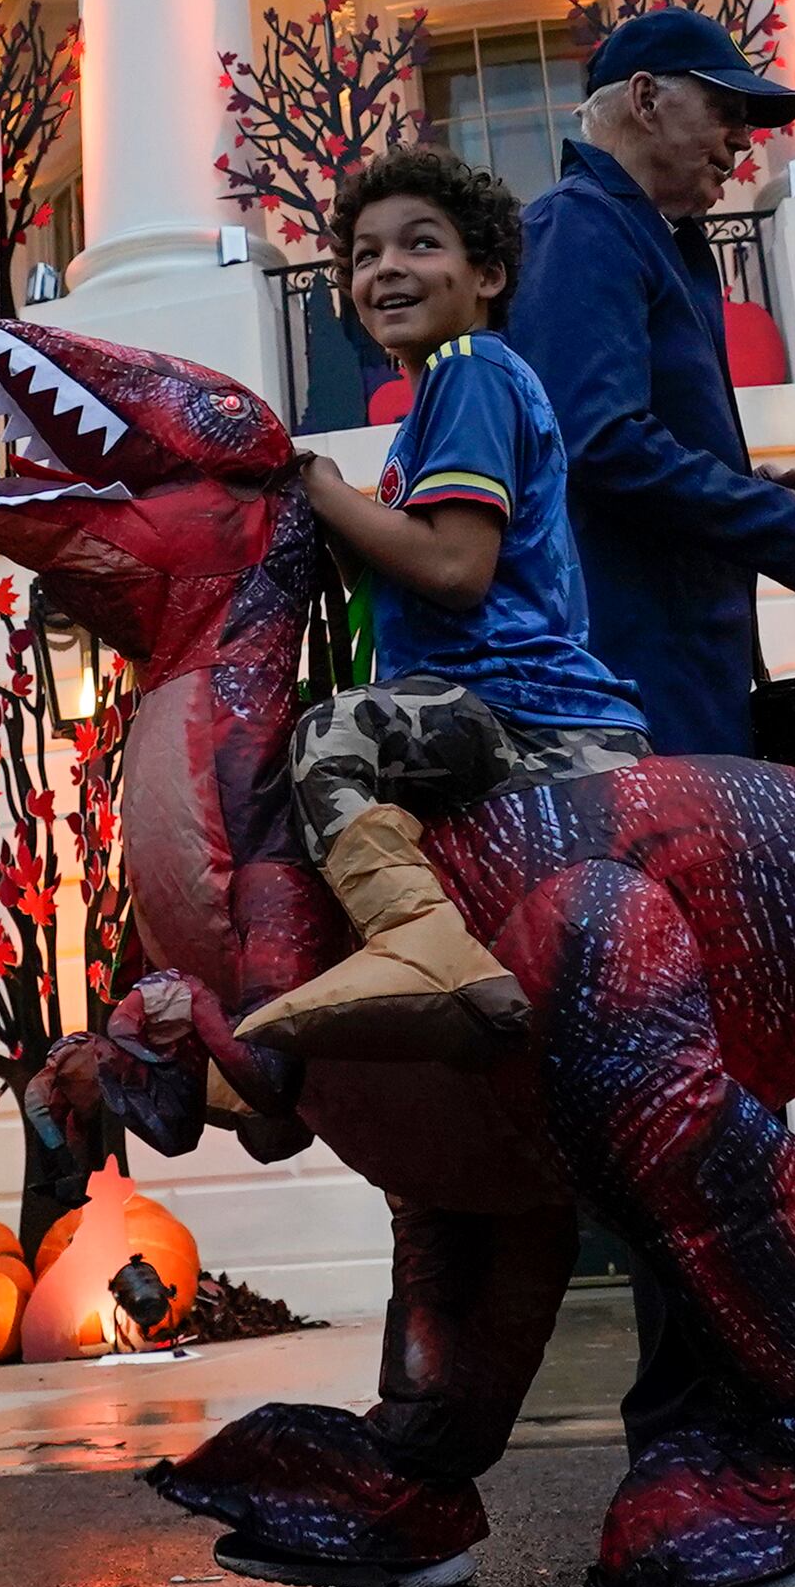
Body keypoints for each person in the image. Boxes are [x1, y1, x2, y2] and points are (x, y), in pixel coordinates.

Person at [247, 146, 651, 1062]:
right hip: (488, 701)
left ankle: (420, 946)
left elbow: (456, 566)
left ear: (488, 274)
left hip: (523, 710)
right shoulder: (438, 396)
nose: (385, 268)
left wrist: (319, 484)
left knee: (331, 738)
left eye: (419, 244)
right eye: (363, 254)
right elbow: (404, 571)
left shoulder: (471, 368)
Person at [508, 8, 795, 759]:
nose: (743, 140)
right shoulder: (583, 228)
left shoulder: (637, 233)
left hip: (673, 666)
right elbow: (602, 445)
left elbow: (615, 441)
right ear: (646, 98)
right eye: (726, 111)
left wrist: (752, 490)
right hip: (635, 675)